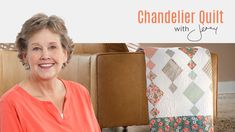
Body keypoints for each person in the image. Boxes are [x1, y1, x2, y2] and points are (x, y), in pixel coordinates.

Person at [0, 13, 101, 132]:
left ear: (65, 54)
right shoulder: (9, 104)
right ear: (25, 56)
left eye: (52, 47)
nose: (45, 56)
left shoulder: (81, 92)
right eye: (36, 48)